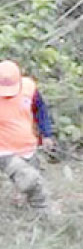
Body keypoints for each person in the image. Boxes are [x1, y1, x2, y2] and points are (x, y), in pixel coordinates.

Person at [0, 60, 54, 211]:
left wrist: (46, 134)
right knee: (30, 178)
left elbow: (40, 111)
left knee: (30, 186)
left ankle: (37, 218)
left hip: (28, 147)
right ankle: (47, 213)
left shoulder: (29, 88)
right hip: (3, 151)